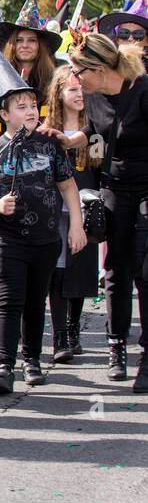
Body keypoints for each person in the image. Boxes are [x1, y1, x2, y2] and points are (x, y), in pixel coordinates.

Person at [0, 38, 85, 393]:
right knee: (10, 301)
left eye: (33, 104)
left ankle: (32, 360)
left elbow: (68, 186)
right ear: (4, 114)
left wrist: (78, 226)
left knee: (37, 301)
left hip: (47, 238)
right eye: (21, 106)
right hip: (7, 238)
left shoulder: (51, 144)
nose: (31, 111)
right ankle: (4, 366)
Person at [59, 30, 148, 390]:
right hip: (115, 188)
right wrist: (67, 139)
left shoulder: (142, 90)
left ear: (98, 68)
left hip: (146, 188)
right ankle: (117, 346)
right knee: (115, 269)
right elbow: (94, 132)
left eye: (79, 73)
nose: (77, 82)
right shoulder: (95, 99)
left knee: (145, 268)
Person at [42, 66, 101, 366]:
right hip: (54, 208)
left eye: (81, 89)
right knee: (58, 269)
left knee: (80, 268)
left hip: (86, 205)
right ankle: (60, 336)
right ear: (59, 93)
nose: (79, 95)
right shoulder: (47, 129)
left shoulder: (94, 128)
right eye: (72, 89)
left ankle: (73, 327)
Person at [0, 0, 60, 110]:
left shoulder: (53, 81)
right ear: (12, 45)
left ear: (40, 46)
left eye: (31, 40)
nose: (25, 45)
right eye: (19, 40)